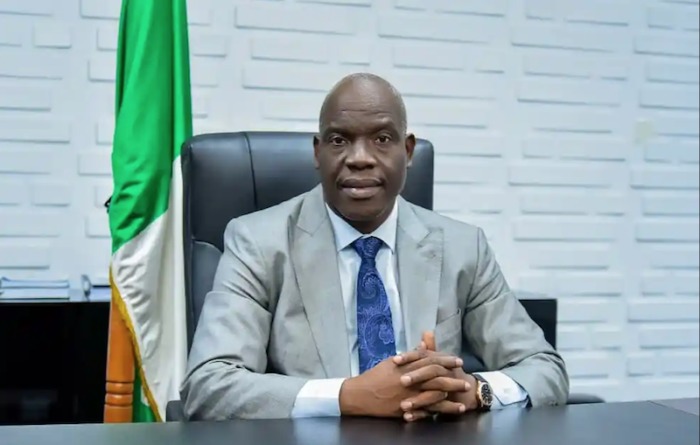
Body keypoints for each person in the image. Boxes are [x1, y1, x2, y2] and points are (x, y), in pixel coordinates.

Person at [180, 73, 569, 421]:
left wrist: (473, 391)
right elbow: (209, 386)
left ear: (408, 151)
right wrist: (350, 396)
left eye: (382, 139)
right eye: (339, 140)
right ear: (317, 152)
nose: (360, 158)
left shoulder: (463, 247)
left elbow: (545, 369)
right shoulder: (258, 243)